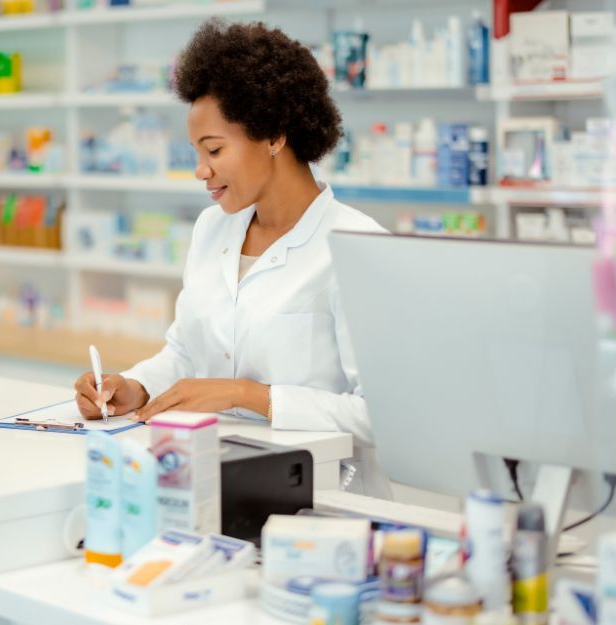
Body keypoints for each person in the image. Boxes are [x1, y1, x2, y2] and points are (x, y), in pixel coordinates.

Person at [73, 19, 392, 499]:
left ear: (274, 135)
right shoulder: (212, 229)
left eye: (214, 149)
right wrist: (135, 388)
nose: (201, 171)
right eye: (197, 152)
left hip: (325, 503)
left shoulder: (357, 245)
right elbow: (185, 352)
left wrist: (250, 396)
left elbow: (383, 415)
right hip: (212, 482)